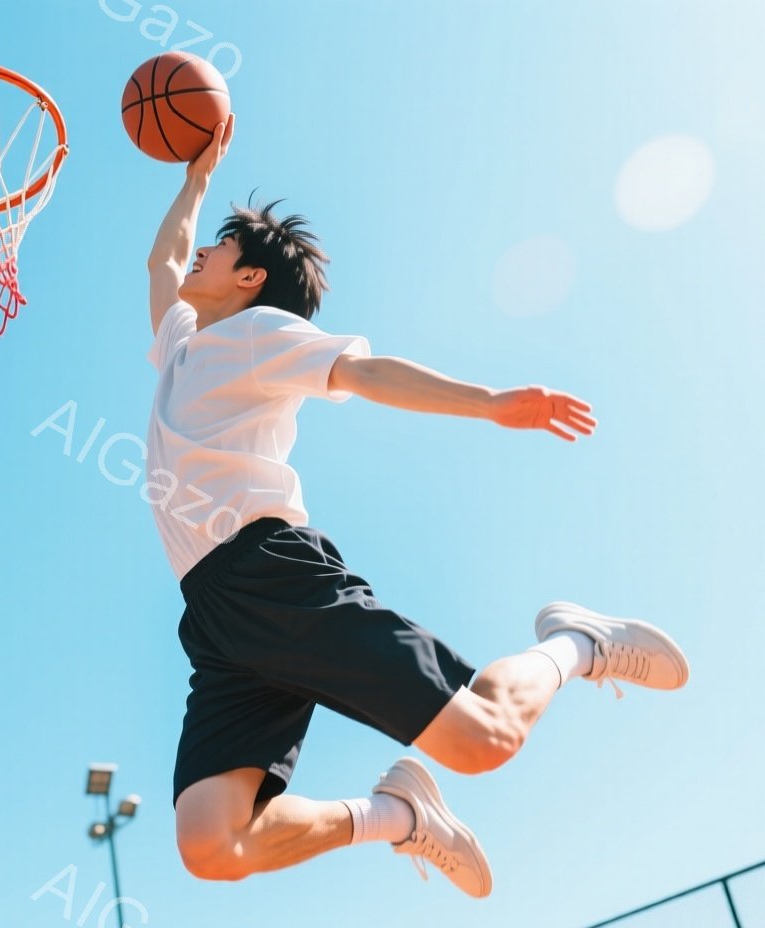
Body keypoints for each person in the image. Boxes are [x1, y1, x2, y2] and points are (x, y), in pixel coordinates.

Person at [146, 117, 690, 898]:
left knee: (485, 741)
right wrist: (194, 180)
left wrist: (492, 401)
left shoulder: (263, 334)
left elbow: (366, 374)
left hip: (272, 574)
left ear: (251, 280)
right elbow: (166, 258)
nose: (203, 250)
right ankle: (398, 815)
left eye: (223, 245)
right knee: (213, 844)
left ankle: (578, 644)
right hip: (216, 613)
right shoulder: (181, 345)